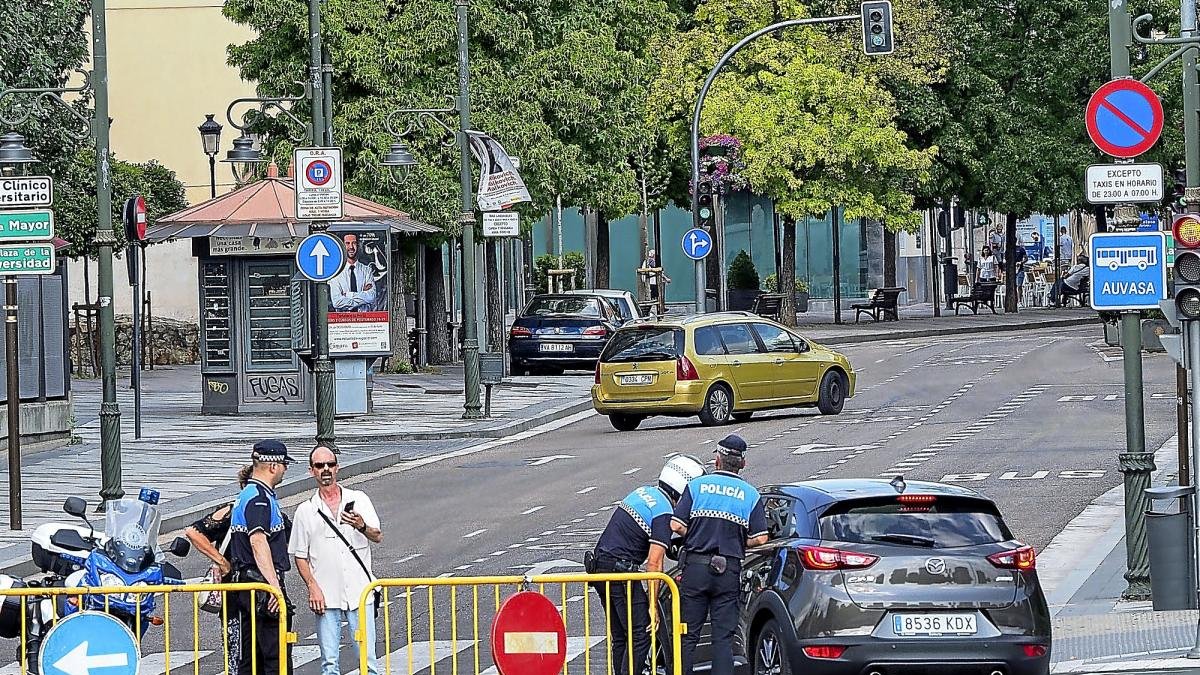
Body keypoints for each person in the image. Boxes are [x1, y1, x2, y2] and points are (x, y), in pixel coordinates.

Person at [586, 454, 706, 675]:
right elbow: (654, 562)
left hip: (601, 568)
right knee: (642, 633)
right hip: (621, 574)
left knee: (622, 635)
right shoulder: (663, 512)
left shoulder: (644, 493)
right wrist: (653, 605)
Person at [671, 435, 767, 675]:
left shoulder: (697, 486)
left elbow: (676, 525)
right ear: (742, 464)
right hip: (728, 570)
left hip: (695, 568)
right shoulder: (750, 494)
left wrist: (697, 534)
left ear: (717, 460)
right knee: (723, 638)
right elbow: (761, 538)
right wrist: (737, 541)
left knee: (688, 635)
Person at [290, 446, 384, 675]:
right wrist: (312, 588)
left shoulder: (358, 499)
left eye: (330, 465)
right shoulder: (306, 510)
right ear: (311, 471)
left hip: (360, 593)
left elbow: (378, 536)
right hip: (326, 595)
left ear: (337, 468)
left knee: (368, 662)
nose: (326, 470)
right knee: (329, 664)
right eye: (320, 466)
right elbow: (300, 556)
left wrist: (361, 525)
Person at [230, 440, 296, 675]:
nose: (285, 470)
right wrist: (274, 588)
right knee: (274, 659)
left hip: (249, 589)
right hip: (261, 588)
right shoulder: (259, 498)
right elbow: (258, 543)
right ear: (273, 466)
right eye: (284, 465)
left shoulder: (248, 494)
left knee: (252, 659)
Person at [185, 465, 254, 675]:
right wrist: (221, 561)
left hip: (264, 595)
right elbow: (194, 532)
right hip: (235, 595)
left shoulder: (270, 510)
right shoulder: (232, 510)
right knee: (237, 655)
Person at [329, 234, 377, 312]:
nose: (351, 247)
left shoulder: (366, 270)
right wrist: (362, 295)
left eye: (354, 243)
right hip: (343, 321)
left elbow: (371, 297)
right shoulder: (336, 272)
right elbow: (337, 302)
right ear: (342, 246)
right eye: (347, 243)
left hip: (365, 320)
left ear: (358, 246)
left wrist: (348, 295)